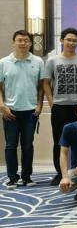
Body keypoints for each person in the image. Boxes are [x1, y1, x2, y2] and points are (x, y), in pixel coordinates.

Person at [44, 27, 77, 186]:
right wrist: (51, 102)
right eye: (68, 40)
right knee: (59, 141)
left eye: (74, 40)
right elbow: (46, 82)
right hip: (60, 107)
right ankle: (60, 173)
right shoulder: (52, 61)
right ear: (62, 40)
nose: (71, 43)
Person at [0, 30, 44, 188]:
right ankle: (12, 177)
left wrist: (39, 105)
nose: (23, 43)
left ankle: (27, 177)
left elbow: (41, 86)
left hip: (31, 111)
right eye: (19, 40)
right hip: (10, 111)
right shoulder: (4, 62)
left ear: (30, 43)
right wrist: (2, 105)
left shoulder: (38, 61)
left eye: (26, 40)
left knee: (27, 145)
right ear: (13, 42)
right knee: (10, 146)